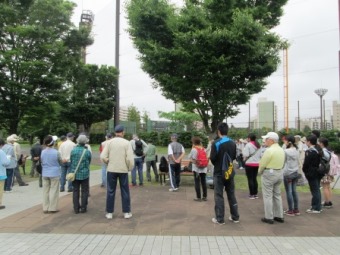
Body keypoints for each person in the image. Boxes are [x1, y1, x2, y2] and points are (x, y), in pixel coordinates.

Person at [101, 125, 134, 220]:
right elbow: (130, 159)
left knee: (110, 191)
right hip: (123, 170)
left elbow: (103, 156)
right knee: (125, 191)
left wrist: (108, 161)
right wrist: (129, 168)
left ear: (115, 132)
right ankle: (126, 212)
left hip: (111, 169)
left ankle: (109, 212)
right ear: (123, 132)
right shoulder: (127, 143)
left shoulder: (109, 142)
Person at [210, 122, 240, 224]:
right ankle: (235, 216)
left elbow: (213, 158)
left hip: (219, 173)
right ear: (227, 131)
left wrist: (218, 164)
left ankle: (220, 218)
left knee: (219, 195)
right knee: (231, 194)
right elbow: (234, 157)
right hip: (230, 172)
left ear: (218, 131)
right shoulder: (233, 143)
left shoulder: (216, 143)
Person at [258, 132, 285, 224]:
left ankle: (269, 217)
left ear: (271, 140)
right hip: (279, 172)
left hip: (269, 173)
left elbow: (262, 164)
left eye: (266, 139)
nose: (265, 141)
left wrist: (260, 172)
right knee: (277, 195)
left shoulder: (269, 150)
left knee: (267, 195)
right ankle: (279, 215)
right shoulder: (281, 149)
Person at [70, 135, 92, 214]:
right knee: (84, 191)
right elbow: (89, 162)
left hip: (75, 174)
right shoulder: (87, 152)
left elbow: (71, 161)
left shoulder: (73, 151)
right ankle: (83, 207)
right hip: (84, 174)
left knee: (75, 191)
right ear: (85, 142)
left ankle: (76, 208)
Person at [302, 135, 323, 214]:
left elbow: (306, 164)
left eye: (306, 141)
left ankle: (316, 208)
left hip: (312, 172)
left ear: (309, 142)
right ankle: (317, 206)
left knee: (314, 190)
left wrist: (305, 171)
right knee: (317, 189)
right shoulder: (318, 149)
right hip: (318, 171)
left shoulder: (310, 151)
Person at [41, 135, 62, 213]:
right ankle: (52, 208)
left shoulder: (42, 152)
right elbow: (60, 162)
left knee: (45, 191)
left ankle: (45, 207)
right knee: (54, 190)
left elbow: (42, 161)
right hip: (54, 173)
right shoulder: (56, 152)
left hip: (45, 173)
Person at [282, 135, 300, 216]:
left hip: (288, 173)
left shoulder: (285, 151)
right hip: (295, 172)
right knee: (294, 191)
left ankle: (290, 209)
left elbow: (283, 161)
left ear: (288, 142)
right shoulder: (297, 150)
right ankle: (296, 209)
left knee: (289, 191)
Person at [242, 133, 261, 199]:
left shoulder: (248, 145)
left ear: (249, 138)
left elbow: (246, 154)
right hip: (257, 164)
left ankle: (251, 194)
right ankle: (255, 194)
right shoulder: (258, 145)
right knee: (254, 179)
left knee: (250, 179)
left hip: (249, 164)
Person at [189, 136, 208, 201]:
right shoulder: (204, 149)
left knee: (197, 182)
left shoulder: (194, 149)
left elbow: (191, 158)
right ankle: (205, 196)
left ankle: (198, 197)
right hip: (204, 168)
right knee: (203, 182)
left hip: (197, 168)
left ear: (193, 142)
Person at [319, 138, 335, 208]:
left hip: (324, 170)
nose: (318, 143)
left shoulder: (323, 151)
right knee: (328, 186)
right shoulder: (329, 150)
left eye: (319, 142)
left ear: (322, 143)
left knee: (325, 187)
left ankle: (327, 202)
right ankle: (329, 200)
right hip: (328, 170)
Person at [0, 138, 11, 209]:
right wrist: (8, 159)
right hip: (0, 173)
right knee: (0, 189)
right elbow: (5, 162)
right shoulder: (1, 152)